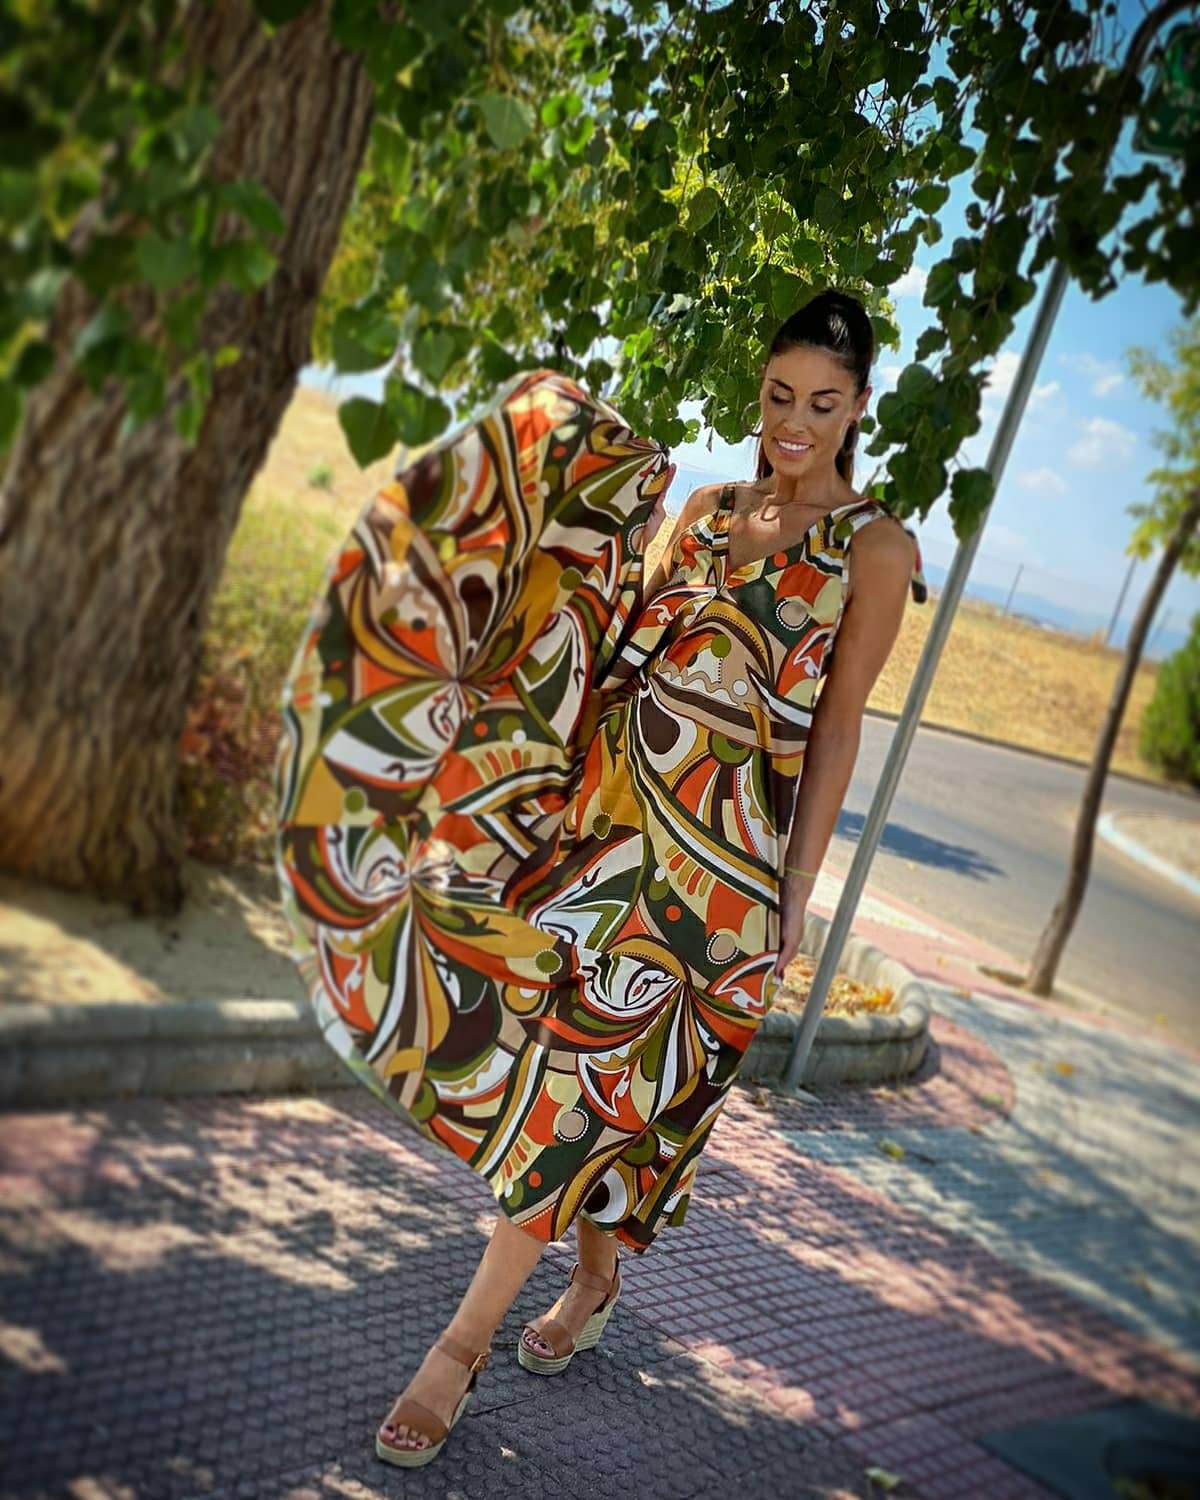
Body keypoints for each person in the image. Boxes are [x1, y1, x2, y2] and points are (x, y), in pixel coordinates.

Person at [275, 288, 925, 1468]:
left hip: (719, 872)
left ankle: (458, 1349)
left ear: (858, 408)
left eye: (823, 404)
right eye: (779, 395)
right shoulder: (706, 512)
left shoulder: (875, 550)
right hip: (603, 830)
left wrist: (797, 890)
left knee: (591, 1085)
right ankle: (593, 1279)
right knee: (578, 1080)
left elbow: (836, 730)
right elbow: (609, 644)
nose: (794, 423)